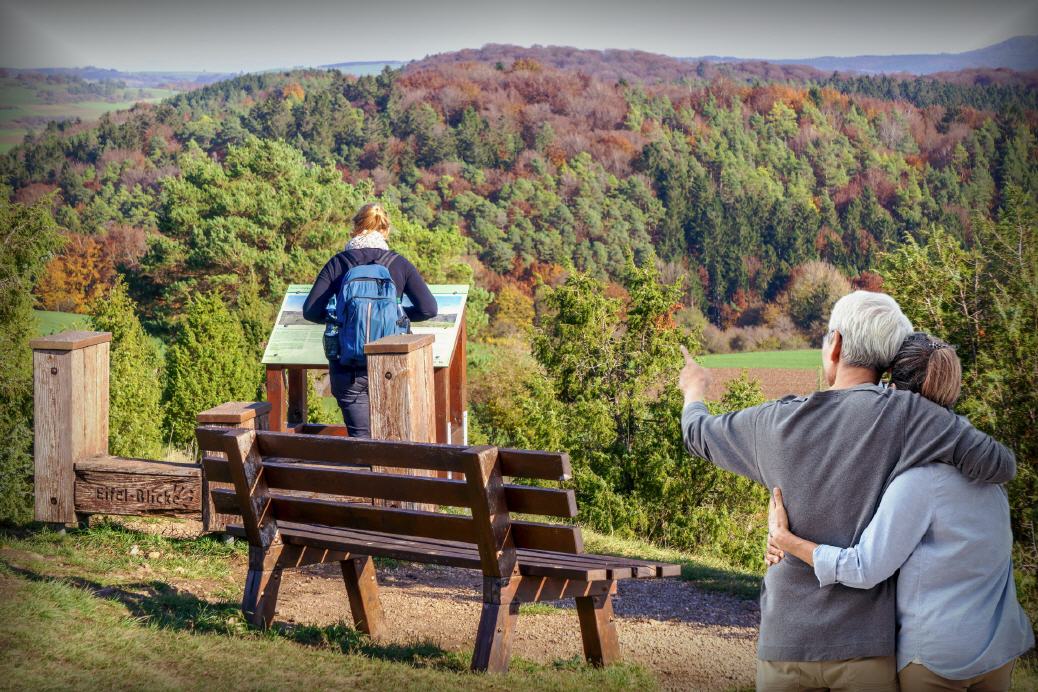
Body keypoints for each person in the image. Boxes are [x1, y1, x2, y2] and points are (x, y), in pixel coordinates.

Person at [678, 290, 1017, 692]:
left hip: (786, 641)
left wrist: (694, 391)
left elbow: (697, 435)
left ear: (835, 344)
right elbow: (999, 464)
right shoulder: (910, 416)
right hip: (866, 650)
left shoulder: (770, 422)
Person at [766, 332, 1034, 691]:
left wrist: (788, 541)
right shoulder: (987, 472)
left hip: (938, 660)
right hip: (999, 648)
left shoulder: (920, 481)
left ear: (893, 391)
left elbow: (863, 568)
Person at [303, 203, 437, 437]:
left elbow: (311, 311)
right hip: (393, 366)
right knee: (396, 437)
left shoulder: (338, 263)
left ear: (355, 228)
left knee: (362, 440)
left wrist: (340, 318)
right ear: (385, 231)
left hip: (348, 367)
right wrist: (399, 316)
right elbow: (428, 308)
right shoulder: (398, 263)